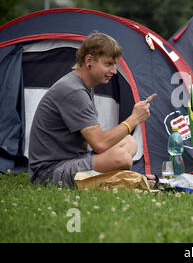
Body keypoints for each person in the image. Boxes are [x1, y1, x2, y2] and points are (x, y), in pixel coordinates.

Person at [28, 33, 158, 187]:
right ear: (89, 60)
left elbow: (98, 143)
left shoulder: (82, 86)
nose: (114, 71)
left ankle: (124, 178)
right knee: (121, 158)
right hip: (49, 174)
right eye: (108, 64)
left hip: (72, 159)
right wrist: (134, 119)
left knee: (130, 142)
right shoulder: (73, 91)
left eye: (115, 64)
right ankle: (128, 179)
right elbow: (100, 144)